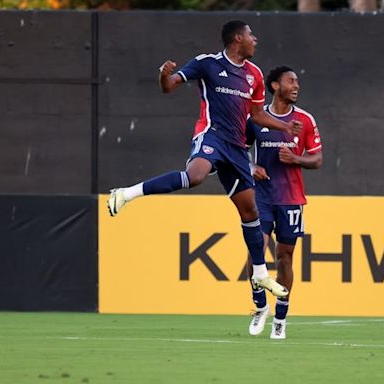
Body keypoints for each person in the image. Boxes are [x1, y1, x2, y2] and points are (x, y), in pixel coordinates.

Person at [107, 20, 302, 298]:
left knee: (250, 213)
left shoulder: (255, 75)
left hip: (236, 149)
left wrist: (284, 126)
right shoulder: (207, 63)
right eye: (250, 35)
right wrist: (164, 75)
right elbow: (169, 86)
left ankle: (260, 275)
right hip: (212, 135)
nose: (255, 39)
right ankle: (126, 193)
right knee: (195, 176)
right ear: (237, 39)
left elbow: (257, 115)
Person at [245, 66, 323, 339]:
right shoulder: (256, 118)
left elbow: (317, 159)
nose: (296, 85)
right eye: (291, 81)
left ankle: (280, 317)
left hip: (290, 199)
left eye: (298, 82)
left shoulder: (305, 120)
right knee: (256, 251)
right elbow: (238, 151)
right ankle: (259, 307)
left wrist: (297, 159)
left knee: (285, 258)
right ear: (275, 85)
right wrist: (252, 166)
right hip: (261, 196)